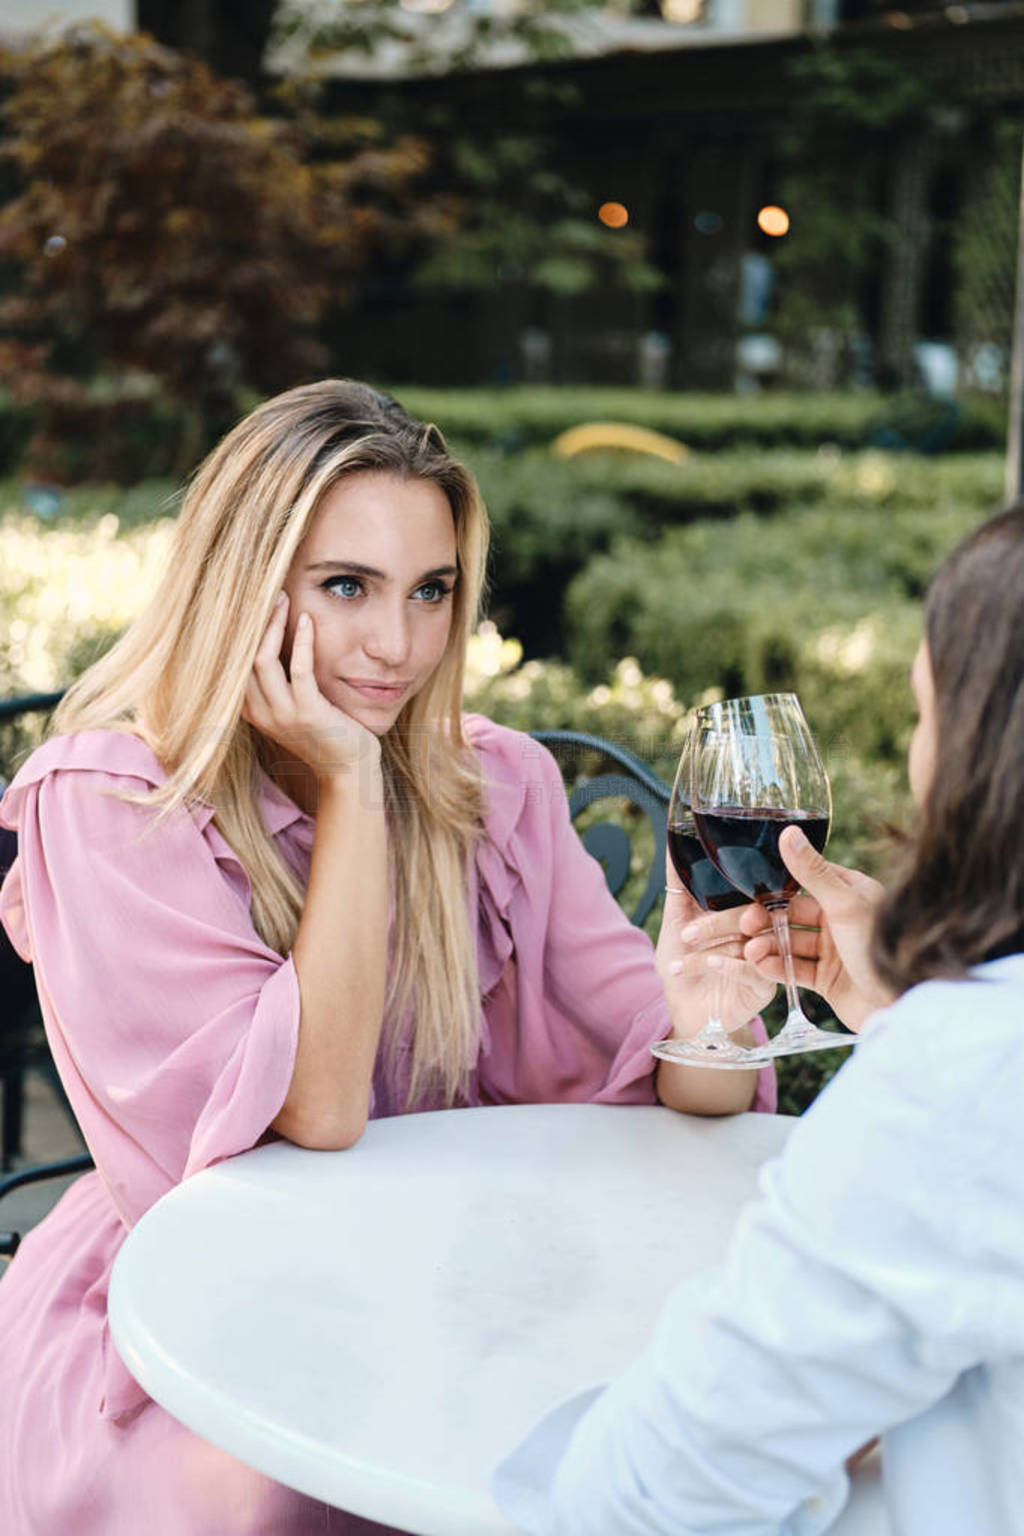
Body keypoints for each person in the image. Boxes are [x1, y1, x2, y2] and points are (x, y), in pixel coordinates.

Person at [0, 380, 776, 1536]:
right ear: (244, 585)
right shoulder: (115, 804)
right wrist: (354, 786)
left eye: (430, 592)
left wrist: (710, 1012)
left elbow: (689, 1095)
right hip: (201, 1327)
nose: (397, 644)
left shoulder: (495, 784)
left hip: (464, 1290)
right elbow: (312, 1112)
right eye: (345, 587)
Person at [493, 503, 1024, 1535]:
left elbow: (644, 1491)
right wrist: (899, 1013)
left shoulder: (970, 1074)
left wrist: (923, 1042)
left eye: (924, 715)